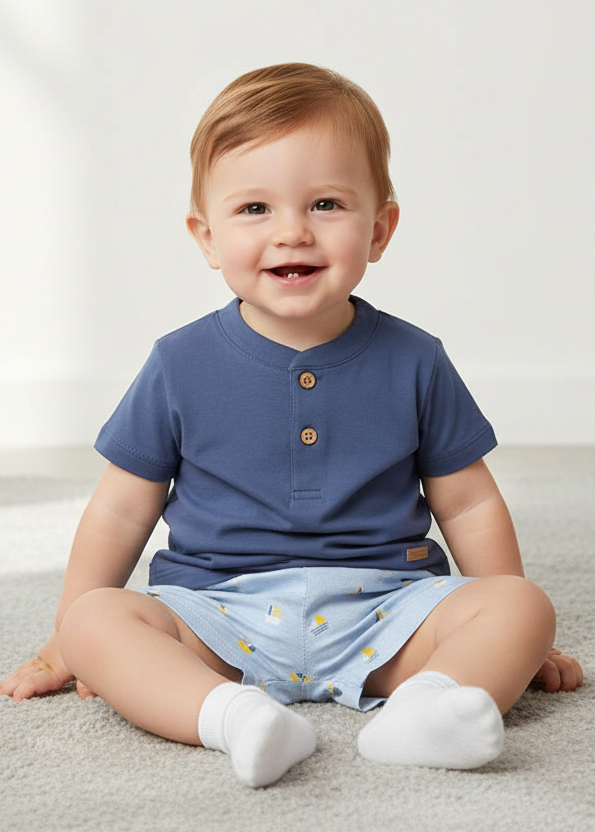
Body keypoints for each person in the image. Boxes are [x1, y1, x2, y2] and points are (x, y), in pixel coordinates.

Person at [0, 63, 582, 788]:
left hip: (385, 609)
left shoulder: (415, 360)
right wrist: (65, 638)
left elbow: (467, 501)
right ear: (206, 237)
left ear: (379, 229)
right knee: (98, 623)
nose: (292, 232)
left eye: (326, 203)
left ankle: (431, 705)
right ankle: (231, 717)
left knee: (522, 604)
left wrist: (507, 639)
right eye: (254, 210)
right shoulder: (178, 363)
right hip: (217, 613)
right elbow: (120, 508)